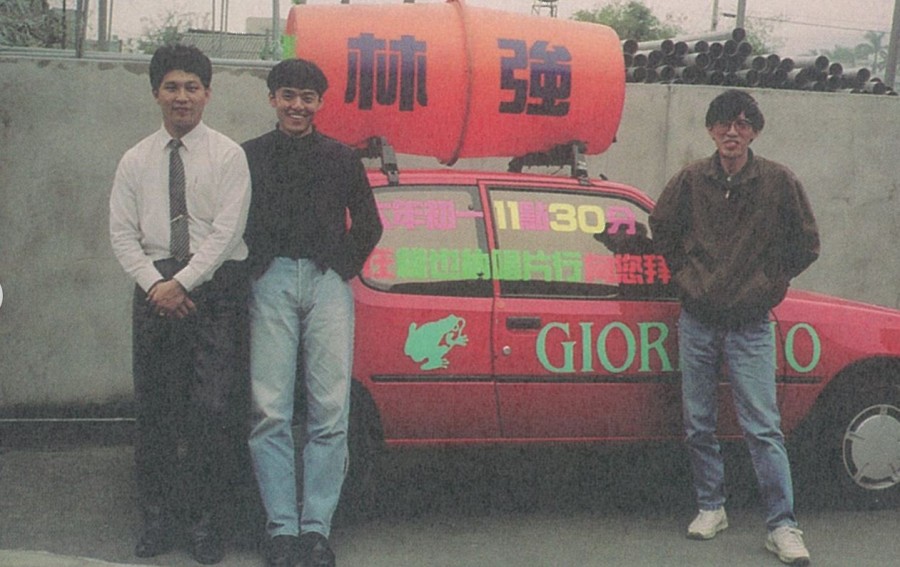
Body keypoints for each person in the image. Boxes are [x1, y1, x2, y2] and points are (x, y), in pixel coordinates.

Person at [649, 90, 819, 566]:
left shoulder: (778, 182)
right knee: (698, 424)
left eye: (743, 124)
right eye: (724, 122)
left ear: (754, 132)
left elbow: (805, 244)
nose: (732, 131)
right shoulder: (690, 180)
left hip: (750, 324)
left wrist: (767, 285)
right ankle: (711, 507)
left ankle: (782, 526)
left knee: (763, 429)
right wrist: (687, 278)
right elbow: (662, 227)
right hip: (698, 321)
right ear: (710, 129)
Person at [109, 44, 252, 565]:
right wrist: (158, 285)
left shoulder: (228, 156)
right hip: (154, 287)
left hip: (214, 287)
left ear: (208, 94)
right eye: (171, 86)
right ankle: (158, 519)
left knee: (212, 410)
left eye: (192, 87)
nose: (182, 96)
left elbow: (227, 230)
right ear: (156, 93)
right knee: (157, 410)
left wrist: (184, 283)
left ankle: (205, 522)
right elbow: (122, 234)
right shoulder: (135, 159)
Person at [242, 58, 383, 567]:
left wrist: (339, 268)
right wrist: (257, 267)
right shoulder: (250, 156)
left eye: (307, 97)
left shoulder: (341, 159)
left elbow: (369, 224)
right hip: (272, 282)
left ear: (320, 103)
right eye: (287, 95)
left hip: (327, 284)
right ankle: (281, 529)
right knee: (270, 410)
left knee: (329, 409)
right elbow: (230, 220)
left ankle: (316, 529)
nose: (297, 106)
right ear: (272, 99)